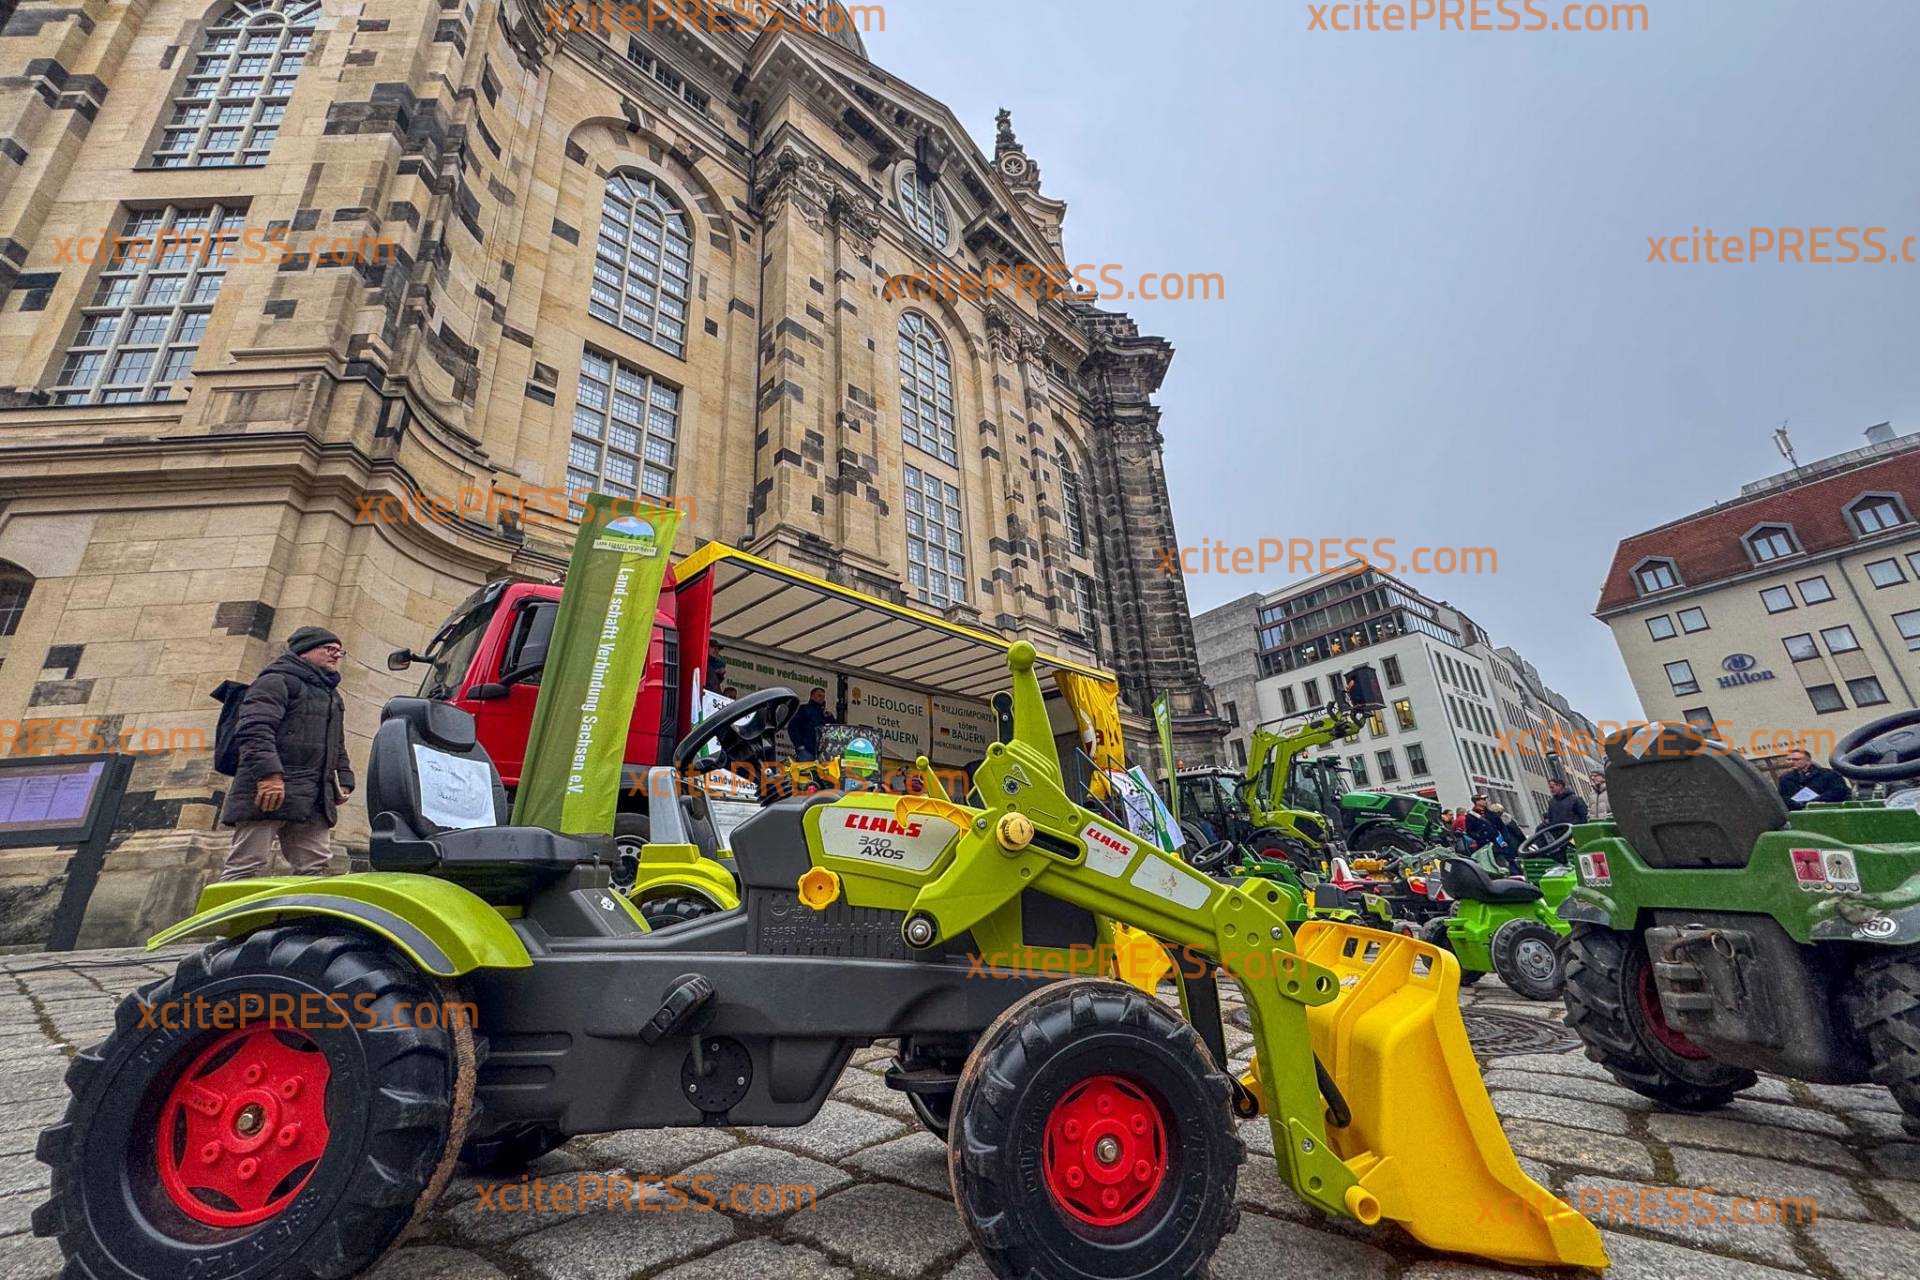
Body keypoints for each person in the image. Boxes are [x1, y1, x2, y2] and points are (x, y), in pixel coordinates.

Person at [218, 627, 353, 881]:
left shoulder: (331, 695)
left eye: (339, 651)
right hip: (268, 792)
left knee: (316, 869)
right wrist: (269, 776)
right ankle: (227, 922)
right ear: (304, 652)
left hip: (312, 797)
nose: (336, 656)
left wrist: (343, 778)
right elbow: (254, 729)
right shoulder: (275, 681)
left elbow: (337, 742)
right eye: (329, 649)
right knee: (246, 866)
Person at [1776, 747, 1850, 811]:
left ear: (1808, 761)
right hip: (1801, 813)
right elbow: (1783, 798)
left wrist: (1815, 801)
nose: (1791, 762)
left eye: (1796, 759)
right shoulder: (1785, 779)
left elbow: (1839, 791)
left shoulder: (1828, 774)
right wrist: (1796, 804)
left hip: (1829, 809)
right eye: (1789, 759)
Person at [789, 686, 838, 761]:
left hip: (822, 753)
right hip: (807, 750)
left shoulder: (825, 714)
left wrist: (830, 717)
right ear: (812, 696)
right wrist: (799, 745)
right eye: (819, 695)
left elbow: (834, 729)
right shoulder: (804, 709)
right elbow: (792, 727)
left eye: (823, 697)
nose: (822, 698)